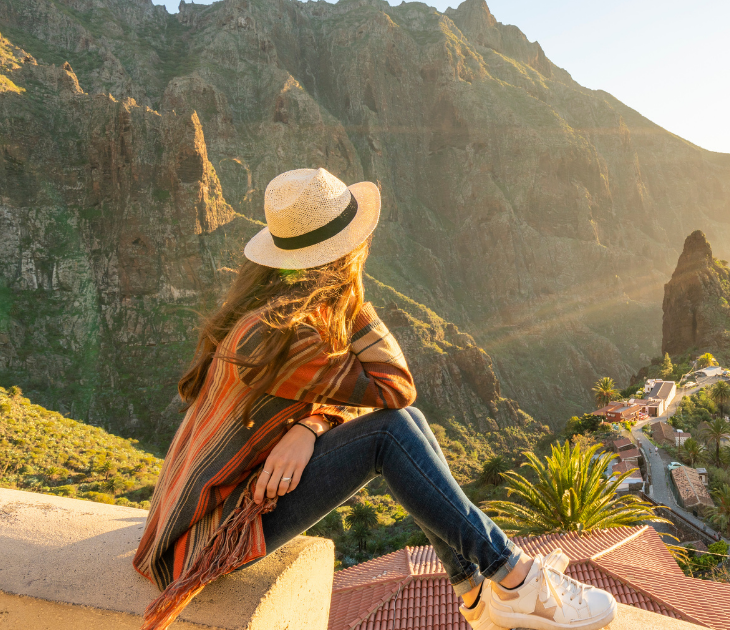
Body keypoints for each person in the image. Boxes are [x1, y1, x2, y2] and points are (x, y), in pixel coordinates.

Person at [133, 168, 617, 630]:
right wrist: (353, 292)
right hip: (206, 538)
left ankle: (474, 594)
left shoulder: (273, 314)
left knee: (409, 423)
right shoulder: (282, 335)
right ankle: (513, 578)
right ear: (341, 253)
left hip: (216, 508)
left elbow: (354, 397)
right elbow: (394, 386)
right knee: (393, 431)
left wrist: (310, 425)